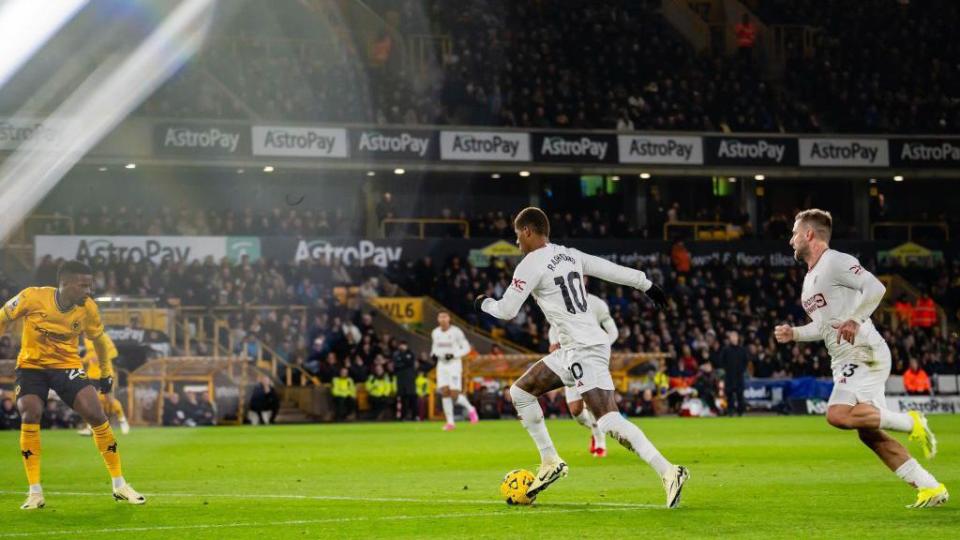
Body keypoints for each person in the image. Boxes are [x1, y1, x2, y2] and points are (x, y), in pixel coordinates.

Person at [474, 207, 688, 507]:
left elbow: (507, 311)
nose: (517, 242)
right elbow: (609, 269)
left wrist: (483, 304)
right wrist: (647, 284)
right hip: (571, 349)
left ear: (527, 231)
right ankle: (550, 460)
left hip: (583, 349)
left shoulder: (529, 263)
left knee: (609, 420)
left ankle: (669, 471)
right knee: (520, 392)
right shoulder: (569, 254)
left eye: (516, 235)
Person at [774, 209, 947, 508]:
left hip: (864, 352)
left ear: (809, 234)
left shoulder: (835, 261)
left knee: (837, 415)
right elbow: (825, 325)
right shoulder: (810, 278)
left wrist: (855, 319)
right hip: (843, 358)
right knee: (869, 434)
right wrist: (795, 334)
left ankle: (911, 422)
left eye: (794, 233)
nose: (790, 240)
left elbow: (876, 287)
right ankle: (930, 487)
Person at [0, 260, 145, 509]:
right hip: (31, 367)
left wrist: (106, 373)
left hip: (66, 367)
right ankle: (35, 492)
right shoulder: (32, 297)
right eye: (83, 285)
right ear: (65, 283)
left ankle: (120, 485)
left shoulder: (88, 309)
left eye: (90, 285)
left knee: (96, 414)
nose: (88, 290)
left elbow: (99, 341)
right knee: (30, 413)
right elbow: (2, 316)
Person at [547, 289, 616, 457]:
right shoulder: (561, 302)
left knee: (594, 402)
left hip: (592, 360)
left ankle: (600, 443)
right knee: (576, 412)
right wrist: (553, 343)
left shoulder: (597, 304)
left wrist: (601, 346)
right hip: (570, 360)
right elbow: (554, 328)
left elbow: (613, 331)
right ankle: (596, 431)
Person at [430, 311, 478, 430]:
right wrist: (433, 354)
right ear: (438, 319)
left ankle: (471, 409)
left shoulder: (456, 332)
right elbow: (434, 348)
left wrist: (454, 355)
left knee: (454, 394)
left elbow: (466, 348)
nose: (443, 319)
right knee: (444, 392)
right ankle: (450, 422)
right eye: (440, 317)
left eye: (445, 317)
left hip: (454, 365)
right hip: (441, 365)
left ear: (449, 319)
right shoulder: (435, 333)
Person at [76, 334, 131, 436]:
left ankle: (122, 419)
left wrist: (100, 357)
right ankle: (90, 428)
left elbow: (114, 352)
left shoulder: (103, 336)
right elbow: (91, 354)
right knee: (90, 401)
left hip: (105, 373)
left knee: (109, 399)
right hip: (92, 374)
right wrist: (83, 360)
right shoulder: (86, 338)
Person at [718, 330, 748, 416]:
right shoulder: (726, 350)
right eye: (732, 336)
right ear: (730, 338)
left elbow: (745, 361)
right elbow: (721, 361)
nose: (734, 338)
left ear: (738, 338)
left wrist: (742, 370)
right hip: (729, 376)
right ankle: (730, 411)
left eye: (735, 336)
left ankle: (740, 412)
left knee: (740, 395)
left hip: (739, 375)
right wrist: (726, 369)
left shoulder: (742, 350)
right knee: (729, 395)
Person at [393, 341, 418, 421]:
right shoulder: (396, 354)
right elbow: (396, 365)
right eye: (401, 345)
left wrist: (403, 359)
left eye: (403, 345)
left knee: (413, 398)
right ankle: (402, 417)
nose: (402, 347)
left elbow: (410, 363)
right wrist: (404, 362)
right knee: (403, 399)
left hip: (410, 379)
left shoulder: (410, 353)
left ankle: (415, 416)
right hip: (401, 379)